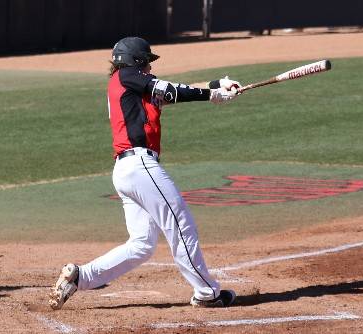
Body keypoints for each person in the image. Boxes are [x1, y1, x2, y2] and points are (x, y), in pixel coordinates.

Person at [49, 37, 241, 310]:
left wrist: (215, 86)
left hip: (127, 170)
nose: (149, 68)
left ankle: (81, 277)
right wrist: (212, 95)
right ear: (135, 61)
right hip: (140, 167)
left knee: (141, 244)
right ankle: (206, 293)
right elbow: (171, 89)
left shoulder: (132, 87)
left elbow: (174, 90)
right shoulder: (128, 77)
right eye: (147, 62)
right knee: (181, 224)